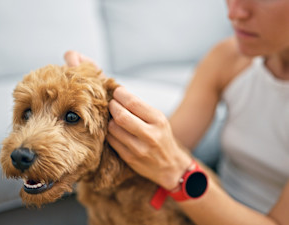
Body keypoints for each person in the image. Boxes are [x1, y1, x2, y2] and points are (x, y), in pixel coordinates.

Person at [64, 0, 289, 224]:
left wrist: (178, 172)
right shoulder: (229, 57)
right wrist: (102, 95)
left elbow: (170, 159)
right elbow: (171, 142)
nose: (234, 13)